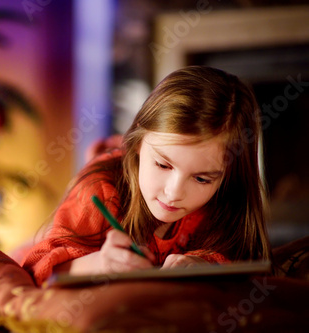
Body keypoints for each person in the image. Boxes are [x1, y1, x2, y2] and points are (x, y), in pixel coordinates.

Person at [21, 66, 272, 286]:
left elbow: (248, 270)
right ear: (138, 143)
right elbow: (37, 270)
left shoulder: (225, 203)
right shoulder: (101, 187)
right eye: (163, 165)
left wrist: (208, 268)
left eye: (202, 179)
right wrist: (99, 264)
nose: (173, 193)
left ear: (229, 176)